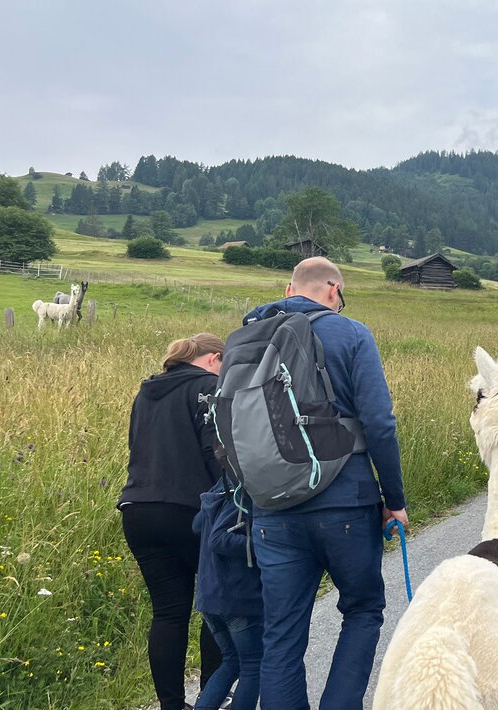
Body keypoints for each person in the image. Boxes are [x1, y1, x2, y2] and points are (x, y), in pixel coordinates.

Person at [244, 257, 408, 710]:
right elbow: (379, 423)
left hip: (271, 507)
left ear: (289, 287)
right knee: (362, 609)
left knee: (281, 635)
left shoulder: (252, 334)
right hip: (345, 502)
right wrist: (394, 500)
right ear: (333, 289)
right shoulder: (352, 333)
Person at [119, 334, 226, 710]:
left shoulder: (146, 391)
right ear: (215, 359)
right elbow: (217, 454)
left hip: (138, 509)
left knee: (168, 612)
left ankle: (170, 704)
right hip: (192, 511)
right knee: (217, 606)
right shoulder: (209, 388)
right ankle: (213, 698)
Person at [192, 477, 262, 710]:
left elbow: (197, 525)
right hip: (236, 596)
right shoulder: (239, 494)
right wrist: (263, 544)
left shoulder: (215, 493)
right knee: (253, 664)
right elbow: (219, 539)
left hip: (209, 597)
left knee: (232, 661)